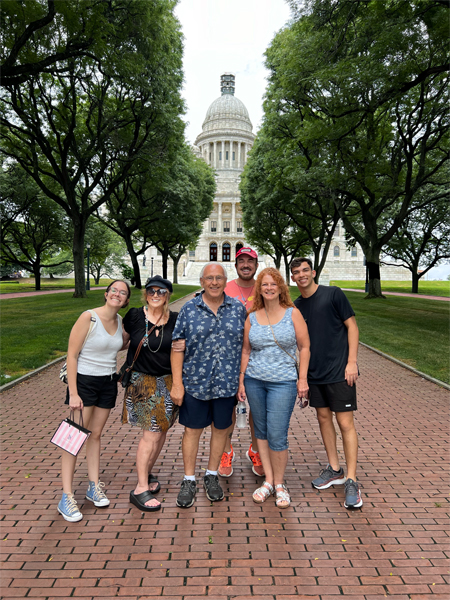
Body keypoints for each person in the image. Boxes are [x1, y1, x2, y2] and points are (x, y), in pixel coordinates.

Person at [170, 263, 247, 508]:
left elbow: (246, 347)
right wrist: (177, 384)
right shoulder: (189, 309)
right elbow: (177, 348)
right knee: (192, 431)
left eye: (219, 278)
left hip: (227, 384)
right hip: (194, 383)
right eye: (209, 278)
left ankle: (212, 475)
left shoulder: (238, 309)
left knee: (221, 430)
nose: (214, 282)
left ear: (226, 281)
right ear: (202, 282)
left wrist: (242, 380)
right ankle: (189, 479)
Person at [290, 257, 362, 509]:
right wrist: (303, 376)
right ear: (292, 277)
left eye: (305, 270)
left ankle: (352, 479)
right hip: (315, 375)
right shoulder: (296, 307)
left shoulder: (333, 294)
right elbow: (301, 345)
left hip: (340, 372)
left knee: (344, 422)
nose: (301, 275)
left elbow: (352, 327)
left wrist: (352, 362)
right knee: (323, 419)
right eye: (296, 272)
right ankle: (335, 468)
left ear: (313, 271)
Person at [58, 280, 131, 522]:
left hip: (108, 382)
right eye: (114, 290)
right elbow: (72, 354)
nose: (117, 294)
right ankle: (66, 496)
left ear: (126, 300)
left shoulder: (119, 321)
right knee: (74, 437)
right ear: (106, 293)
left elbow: (119, 345)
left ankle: (93, 485)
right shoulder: (88, 317)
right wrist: (75, 392)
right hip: (85, 383)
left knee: (95, 435)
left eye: (122, 293)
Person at [238, 267, 310, 508]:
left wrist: (302, 379)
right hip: (255, 381)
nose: (268, 288)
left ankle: (280, 484)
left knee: (277, 434)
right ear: (259, 289)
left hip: (283, 382)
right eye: (264, 284)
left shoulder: (293, 314)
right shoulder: (252, 316)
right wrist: (241, 380)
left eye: (273, 284)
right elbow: (246, 350)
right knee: (261, 433)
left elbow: (304, 347)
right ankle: (268, 480)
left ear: (280, 288)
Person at [122, 275, 180, 512]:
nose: (156, 295)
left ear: (168, 295)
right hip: (142, 382)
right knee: (151, 435)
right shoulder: (135, 316)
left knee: (161, 432)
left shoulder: (175, 319)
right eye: (151, 291)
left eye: (161, 291)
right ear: (145, 294)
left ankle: (146, 473)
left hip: (167, 381)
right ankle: (140, 489)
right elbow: (122, 341)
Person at [219, 247, 264, 478]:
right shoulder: (224, 288)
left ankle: (255, 450)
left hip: (258, 358)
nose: (246, 264)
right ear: (235, 265)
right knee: (226, 409)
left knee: (257, 408)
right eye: (241, 261)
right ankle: (226, 451)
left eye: (250, 261)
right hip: (228, 358)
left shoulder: (265, 288)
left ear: (256, 265)